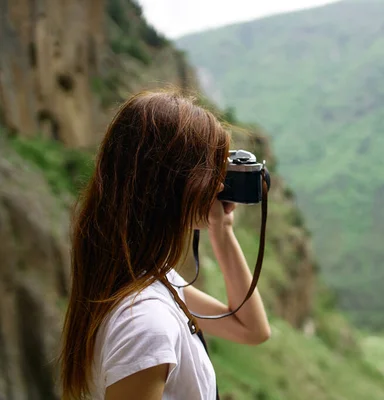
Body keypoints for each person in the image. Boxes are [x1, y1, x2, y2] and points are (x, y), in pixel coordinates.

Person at [59, 90, 271, 400]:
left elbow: (251, 329)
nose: (221, 184)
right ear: (171, 183)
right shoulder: (145, 323)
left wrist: (222, 231)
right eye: (211, 169)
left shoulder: (147, 277)